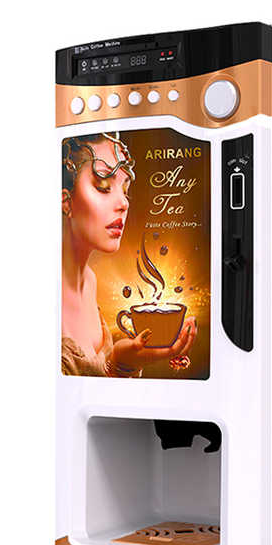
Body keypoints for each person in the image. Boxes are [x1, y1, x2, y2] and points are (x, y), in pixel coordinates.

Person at [61, 132, 196, 376]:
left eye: (125, 190)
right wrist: (118, 365)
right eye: (103, 187)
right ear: (65, 200)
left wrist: (124, 362)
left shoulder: (89, 281)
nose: (124, 203)